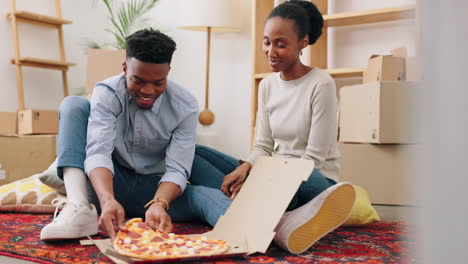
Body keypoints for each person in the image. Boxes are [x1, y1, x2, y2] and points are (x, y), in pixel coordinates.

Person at [189, 0, 356, 254]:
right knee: (194, 153)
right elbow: (263, 146)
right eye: (267, 42)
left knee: (302, 174)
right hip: (271, 175)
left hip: (313, 179)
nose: (271, 51)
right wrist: (247, 167)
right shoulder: (267, 86)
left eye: (281, 44)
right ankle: (279, 218)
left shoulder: (321, 84)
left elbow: (313, 158)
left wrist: (259, 181)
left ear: (303, 43)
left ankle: (256, 210)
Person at [40, 28, 232, 241]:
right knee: (74, 105)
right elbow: (98, 153)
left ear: (168, 71)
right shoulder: (107, 92)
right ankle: (79, 207)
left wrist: (159, 203)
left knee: (206, 195)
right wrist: (107, 200)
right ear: (124, 68)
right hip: (108, 183)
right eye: (138, 80)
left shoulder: (184, 106)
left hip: (151, 189)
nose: (148, 91)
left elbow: (178, 168)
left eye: (158, 82)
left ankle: (259, 230)